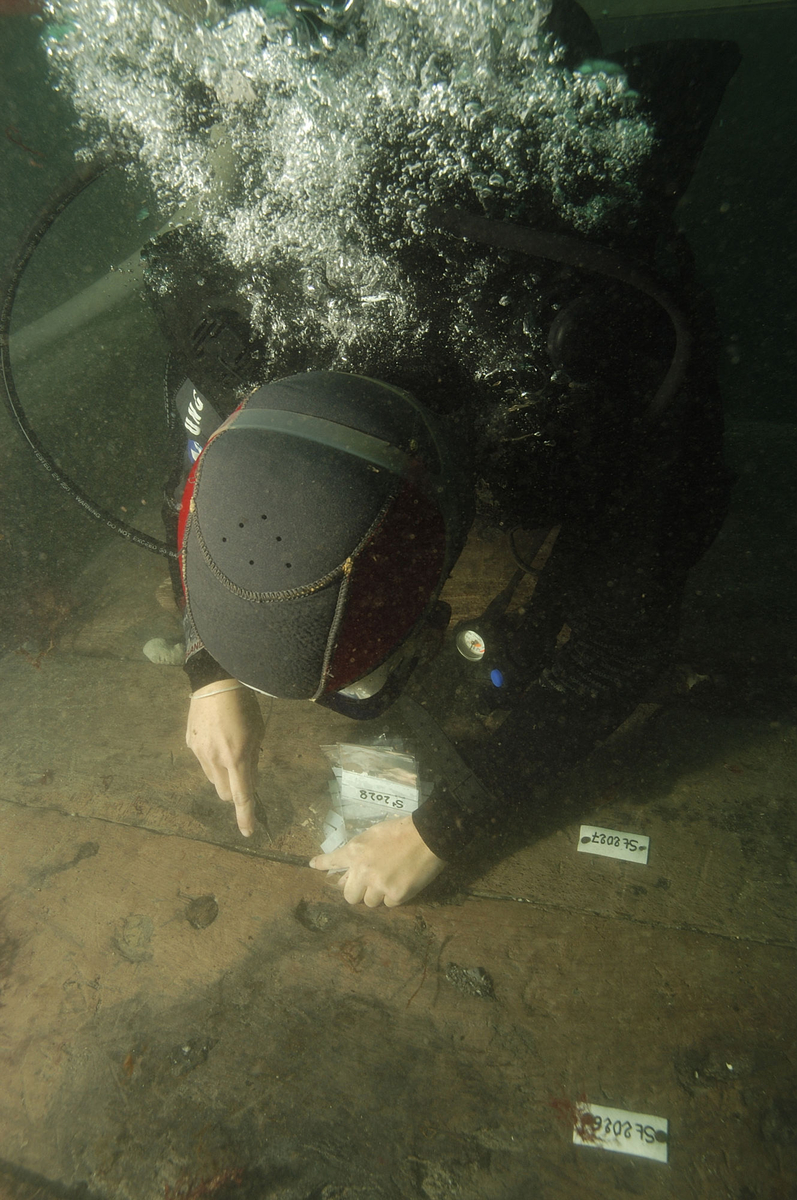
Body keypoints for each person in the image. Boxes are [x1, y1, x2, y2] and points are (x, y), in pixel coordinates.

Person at [133, 0, 739, 907]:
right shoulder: (237, 339)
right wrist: (211, 662)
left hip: (513, 97)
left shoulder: (578, 392)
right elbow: (203, 485)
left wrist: (450, 823)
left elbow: (621, 644)